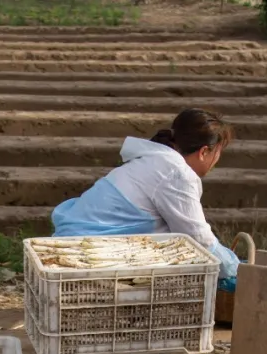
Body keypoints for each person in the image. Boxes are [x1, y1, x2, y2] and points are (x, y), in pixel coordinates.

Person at [51, 108, 240, 292]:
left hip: (73, 245)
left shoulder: (154, 160)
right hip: (84, 257)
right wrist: (236, 269)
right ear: (204, 152)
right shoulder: (176, 173)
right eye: (218, 152)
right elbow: (198, 238)